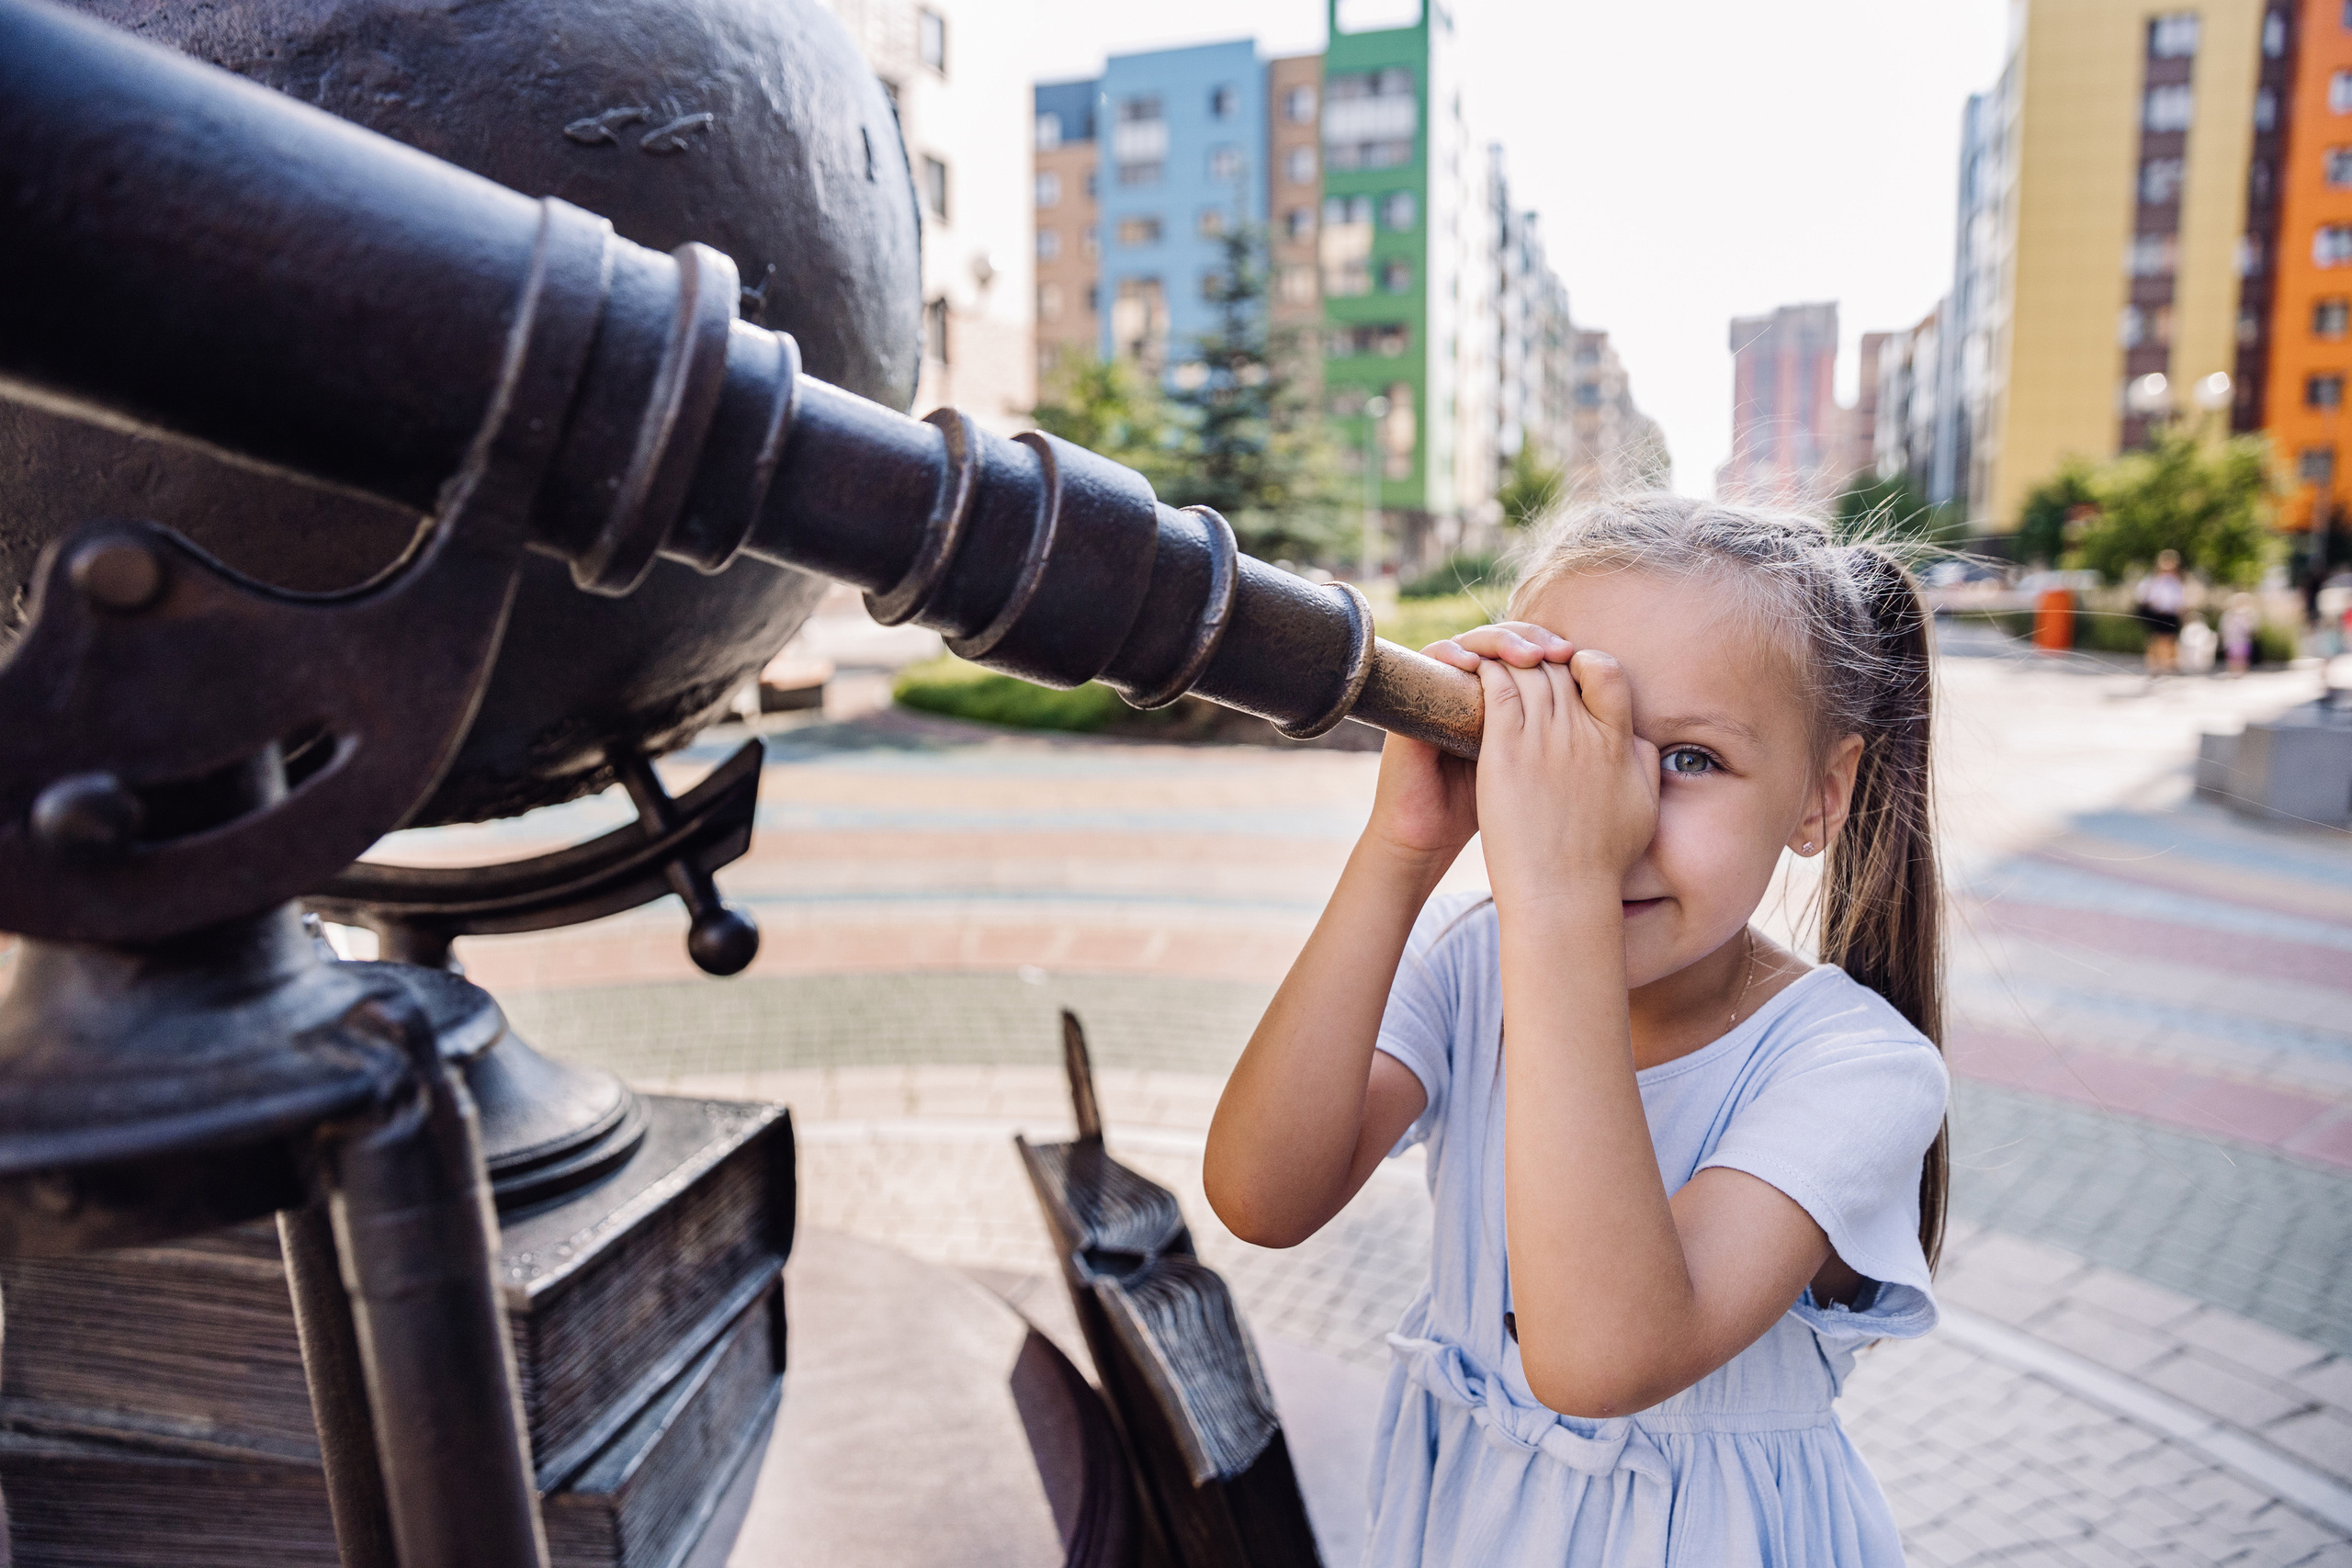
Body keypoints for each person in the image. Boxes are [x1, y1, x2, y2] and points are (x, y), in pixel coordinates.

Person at [1204, 497, 1949, 1567]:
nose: (1615, 816)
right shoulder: (1474, 964)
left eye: (1689, 759)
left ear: (1820, 797)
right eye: (1567, 748)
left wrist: (1560, 892)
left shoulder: (1856, 1067)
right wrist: (1401, 847)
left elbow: (1600, 1358)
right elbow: (1262, 1196)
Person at [2136, 549, 2188, 676]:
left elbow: (2179, 600)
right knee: (2157, 640)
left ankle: (2168, 665)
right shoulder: (2154, 580)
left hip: (2170, 614)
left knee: (2169, 640)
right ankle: (2156, 666)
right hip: (2158, 614)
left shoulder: (2176, 581)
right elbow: (2146, 597)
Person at [2221, 593, 2257, 677]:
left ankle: (2242, 672)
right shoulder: (2229, 614)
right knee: (2232, 656)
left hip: (2243, 639)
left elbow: (2251, 629)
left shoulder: (2249, 614)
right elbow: (2225, 628)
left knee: (2242, 656)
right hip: (2232, 638)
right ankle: (2233, 672)